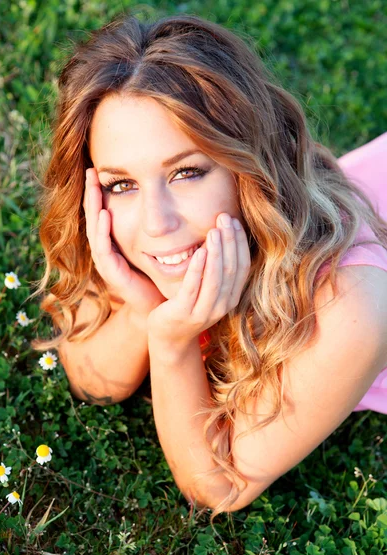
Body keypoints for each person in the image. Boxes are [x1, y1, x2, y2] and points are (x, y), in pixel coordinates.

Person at [32, 13, 387, 520]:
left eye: (187, 172)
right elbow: (91, 381)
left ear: (251, 167)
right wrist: (141, 310)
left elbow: (218, 486)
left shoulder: (352, 304)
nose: (156, 224)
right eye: (121, 184)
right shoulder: (131, 234)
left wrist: (174, 344)